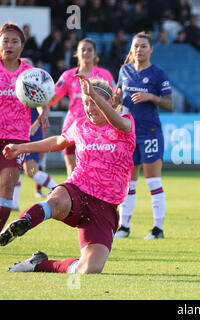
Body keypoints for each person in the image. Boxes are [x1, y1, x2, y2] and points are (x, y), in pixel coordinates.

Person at [0, 76, 135, 274]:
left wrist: (92, 94)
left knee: (89, 269)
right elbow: (57, 142)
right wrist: (21, 148)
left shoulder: (125, 123)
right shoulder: (81, 125)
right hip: (77, 190)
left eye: (95, 102)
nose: (90, 108)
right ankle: (23, 221)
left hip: (105, 205)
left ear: (111, 102)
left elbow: (121, 125)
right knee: (55, 202)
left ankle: (38, 264)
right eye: (86, 102)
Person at [114, 32, 173, 240]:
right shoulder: (125, 70)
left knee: (153, 182)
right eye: (136, 46)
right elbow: (119, 98)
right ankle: (124, 227)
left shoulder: (158, 74)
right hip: (128, 133)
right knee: (128, 184)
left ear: (151, 50)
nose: (139, 50)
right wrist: (115, 100)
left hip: (150, 133)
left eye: (143, 46)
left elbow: (170, 104)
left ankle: (158, 229)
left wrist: (151, 97)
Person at [0, 23, 49, 232]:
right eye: (5, 40)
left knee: (7, 186)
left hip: (17, 139)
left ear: (22, 46)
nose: (9, 44)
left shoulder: (30, 74)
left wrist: (43, 113)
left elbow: (41, 98)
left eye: (14, 41)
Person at [47, 38, 115, 177]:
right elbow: (52, 100)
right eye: (82, 49)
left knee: (96, 172)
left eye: (90, 49)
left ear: (95, 54)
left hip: (97, 130)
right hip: (72, 128)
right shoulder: (68, 75)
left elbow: (114, 101)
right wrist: (39, 96)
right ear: (76, 53)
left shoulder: (105, 75)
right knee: (72, 174)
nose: (86, 52)